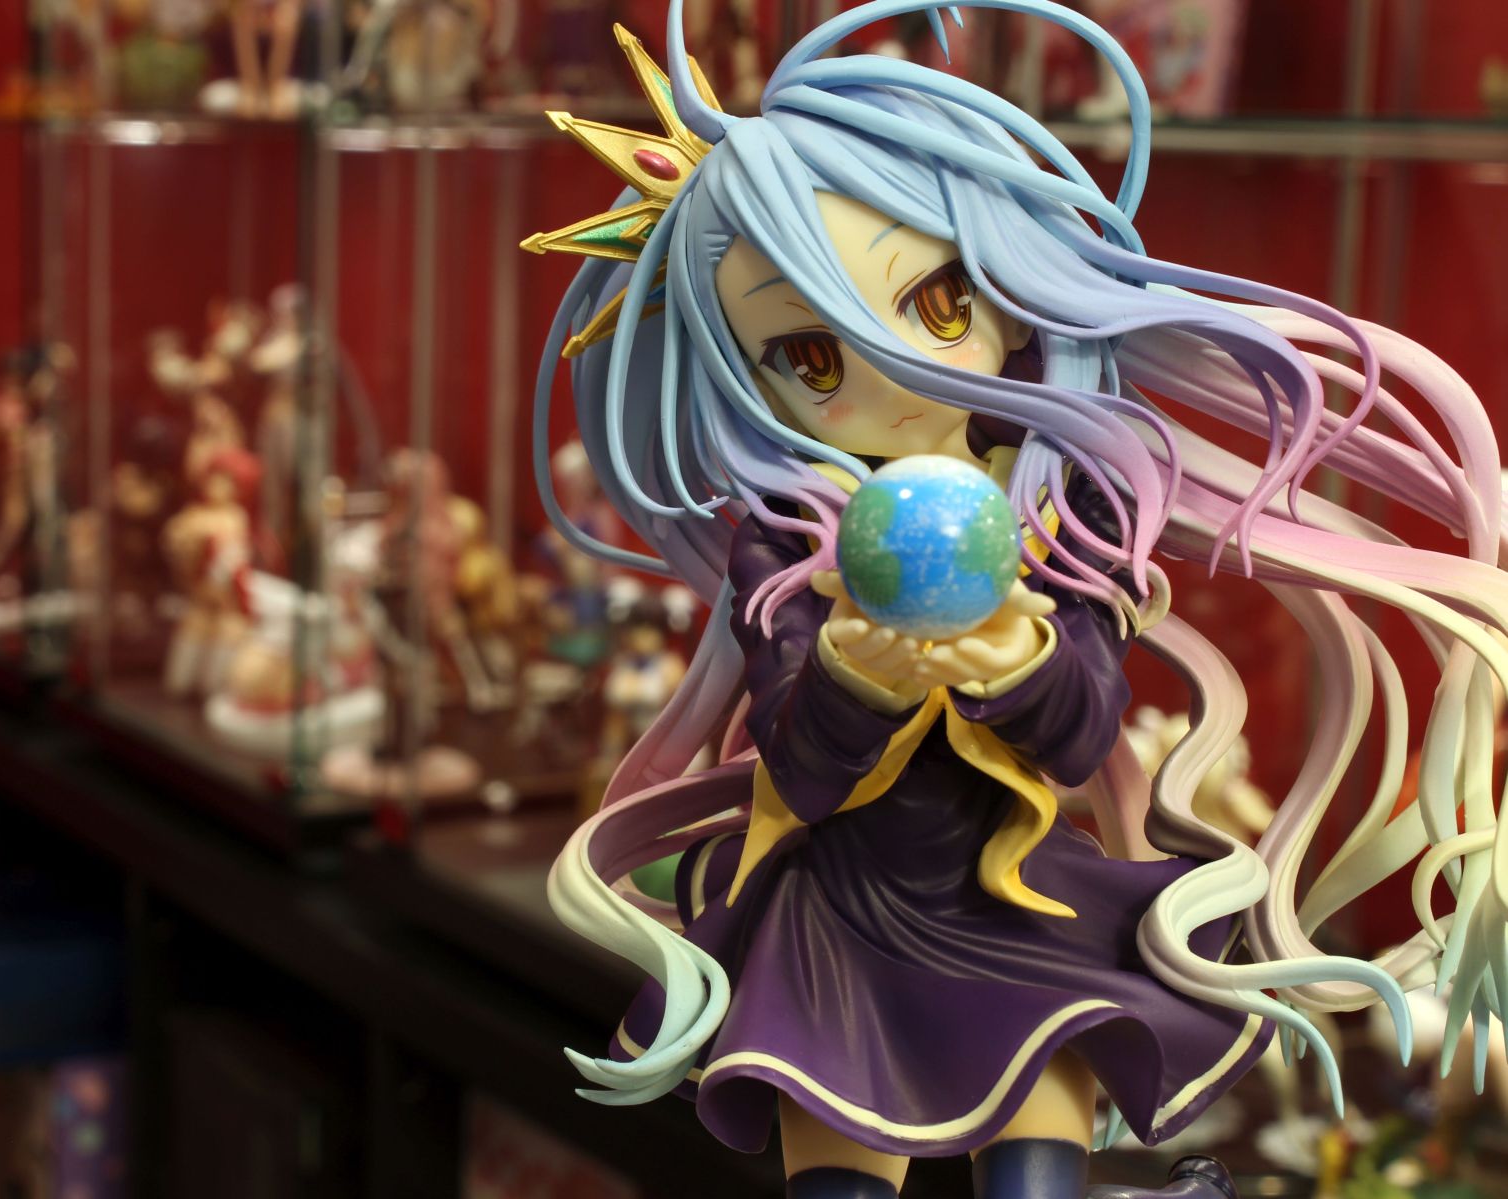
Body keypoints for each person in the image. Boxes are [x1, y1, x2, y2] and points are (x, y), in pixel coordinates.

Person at [527, 4, 1508, 1197]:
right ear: (750, 377)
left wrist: (1016, 659)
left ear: (1002, 288)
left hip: (1020, 903)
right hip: (839, 923)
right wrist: (855, 674)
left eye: (933, 302)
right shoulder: (789, 538)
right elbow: (803, 763)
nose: (887, 370)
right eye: (810, 357)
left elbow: (1080, 730)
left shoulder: (1056, 506)